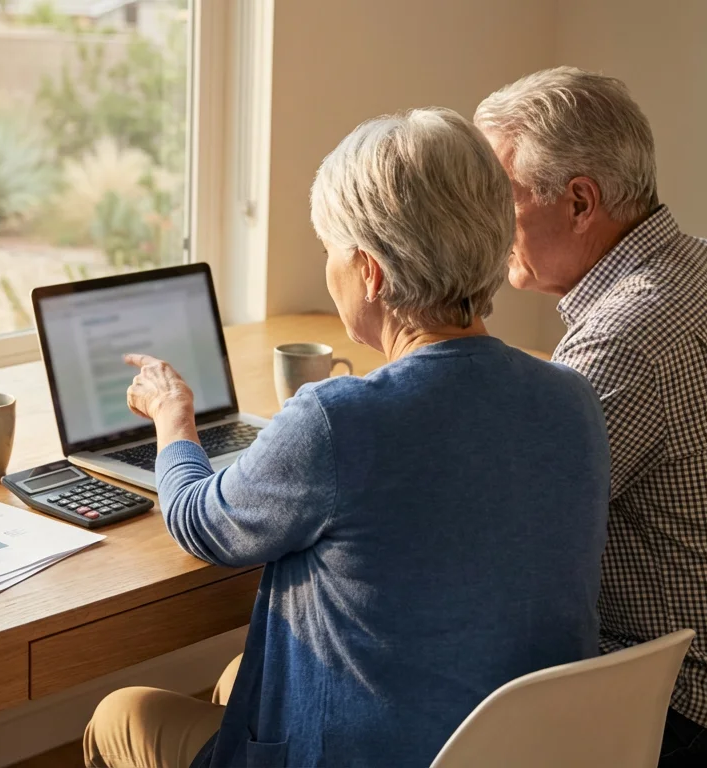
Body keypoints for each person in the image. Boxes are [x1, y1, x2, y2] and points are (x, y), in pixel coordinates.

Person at [82, 108, 613, 768]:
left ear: (370, 272)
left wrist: (171, 418)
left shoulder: (339, 420)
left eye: (329, 248)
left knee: (121, 716)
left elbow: (200, 522)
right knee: (238, 675)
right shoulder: (574, 401)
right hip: (517, 751)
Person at [475, 67, 707, 768]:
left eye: (497, 198)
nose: (484, 223)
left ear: (579, 202)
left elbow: (504, 540)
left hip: (695, 713)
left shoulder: (626, 335)